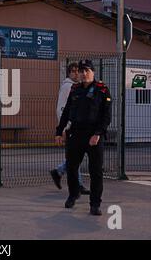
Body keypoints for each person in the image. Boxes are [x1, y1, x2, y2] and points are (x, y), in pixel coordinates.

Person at [55, 60, 112, 216]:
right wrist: (59, 132)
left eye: (87, 70)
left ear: (93, 72)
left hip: (94, 136)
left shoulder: (102, 89)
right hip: (76, 134)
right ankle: (73, 194)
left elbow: (106, 116)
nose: (84, 73)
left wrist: (98, 134)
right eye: (81, 71)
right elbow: (66, 112)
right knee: (72, 167)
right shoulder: (75, 89)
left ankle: (95, 204)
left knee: (96, 172)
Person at [50, 63, 90, 195]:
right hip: (70, 127)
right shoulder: (68, 87)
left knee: (75, 155)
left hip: (74, 126)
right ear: (69, 73)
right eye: (73, 71)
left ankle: (60, 172)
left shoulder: (76, 86)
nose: (76, 73)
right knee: (75, 155)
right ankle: (74, 182)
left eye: (78, 71)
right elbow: (62, 108)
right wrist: (65, 128)